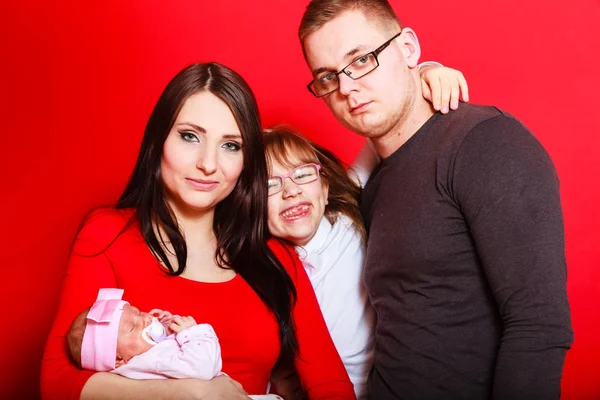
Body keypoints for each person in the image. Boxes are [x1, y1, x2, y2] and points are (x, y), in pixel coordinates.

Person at [298, 1, 574, 399]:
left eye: (361, 60)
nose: (346, 87)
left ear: (408, 48)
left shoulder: (487, 143)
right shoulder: (372, 179)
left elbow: (538, 324)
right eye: (327, 77)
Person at [41, 62, 355, 400]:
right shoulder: (107, 234)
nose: (208, 163)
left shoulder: (275, 258)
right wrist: (189, 394)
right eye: (190, 136)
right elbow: (57, 383)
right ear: (158, 139)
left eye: (230, 145)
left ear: (246, 161)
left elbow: (331, 386)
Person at [67, 288, 282, 400]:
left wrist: (168, 330)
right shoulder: (151, 360)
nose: (144, 319)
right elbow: (203, 368)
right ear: (117, 359)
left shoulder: (142, 361)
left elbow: (174, 361)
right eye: (132, 327)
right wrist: (192, 333)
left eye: (140, 312)